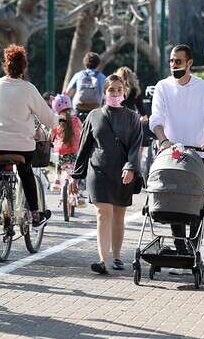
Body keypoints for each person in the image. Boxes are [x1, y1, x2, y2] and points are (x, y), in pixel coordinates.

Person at [149, 44, 204, 274]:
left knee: (198, 204)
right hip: (171, 154)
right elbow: (156, 117)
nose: (173, 65)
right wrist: (162, 140)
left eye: (178, 61)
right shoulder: (162, 87)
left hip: (198, 155)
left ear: (189, 63)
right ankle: (181, 250)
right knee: (173, 201)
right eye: (171, 61)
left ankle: (192, 249)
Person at [70, 74, 142, 274]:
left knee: (119, 215)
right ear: (104, 93)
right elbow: (84, 147)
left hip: (123, 173)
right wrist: (76, 176)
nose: (116, 93)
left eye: (119, 89)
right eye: (111, 89)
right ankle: (103, 259)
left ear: (125, 92)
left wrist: (130, 167)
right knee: (103, 213)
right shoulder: (94, 115)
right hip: (98, 171)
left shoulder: (132, 117)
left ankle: (117, 256)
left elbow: (136, 147)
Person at [0, 44, 58, 226]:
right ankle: (36, 215)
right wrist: (57, 121)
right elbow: (47, 117)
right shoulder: (28, 88)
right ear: (24, 67)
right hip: (22, 149)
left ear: (5, 65)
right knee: (26, 171)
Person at [50, 94, 84, 208]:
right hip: (75, 152)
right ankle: (77, 194)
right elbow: (83, 130)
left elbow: (51, 136)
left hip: (61, 152)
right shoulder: (75, 119)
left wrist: (51, 141)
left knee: (59, 163)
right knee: (74, 172)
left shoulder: (56, 121)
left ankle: (57, 179)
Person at [63, 52, 106, 122]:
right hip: (95, 108)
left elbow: (67, 93)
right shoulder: (102, 77)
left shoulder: (78, 75)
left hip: (78, 108)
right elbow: (105, 95)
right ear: (98, 64)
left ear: (85, 63)